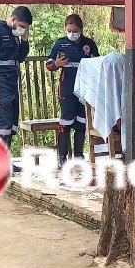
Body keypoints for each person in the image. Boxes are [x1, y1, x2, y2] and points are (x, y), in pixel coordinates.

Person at [0, 6, 32, 173]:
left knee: (10, 124)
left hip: (12, 82)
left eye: (26, 28)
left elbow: (21, 58)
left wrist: (24, 40)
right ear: (13, 19)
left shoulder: (16, 35)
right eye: (22, 25)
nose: (22, 29)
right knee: (2, 123)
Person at [46, 14, 99, 167]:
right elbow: (49, 65)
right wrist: (56, 63)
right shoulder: (60, 44)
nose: (72, 33)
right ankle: (62, 157)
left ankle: (78, 155)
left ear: (81, 30)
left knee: (82, 121)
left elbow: (98, 63)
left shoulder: (89, 44)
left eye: (75, 30)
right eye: (69, 30)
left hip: (84, 87)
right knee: (66, 120)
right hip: (67, 87)